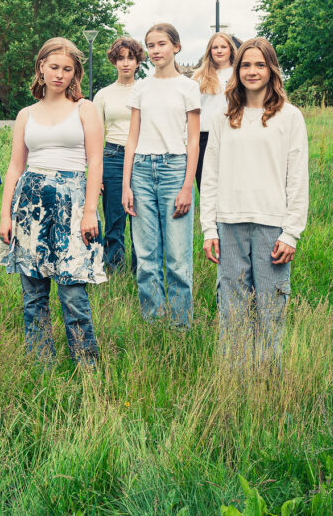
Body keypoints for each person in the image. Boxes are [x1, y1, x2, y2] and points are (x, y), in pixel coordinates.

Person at [201, 37, 307, 371]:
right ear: (237, 70)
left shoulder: (290, 117)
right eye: (245, 65)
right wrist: (208, 228)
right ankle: (234, 375)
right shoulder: (223, 117)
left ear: (271, 69)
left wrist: (291, 233)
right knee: (231, 306)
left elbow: (298, 178)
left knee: (271, 305)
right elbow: (210, 175)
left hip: (272, 224)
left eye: (260, 64)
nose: (252, 71)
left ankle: (268, 374)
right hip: (229, 222)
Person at [0, 37, 105, 363]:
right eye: (54, 67)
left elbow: (95, 161)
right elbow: (15, 166)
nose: (60, 74)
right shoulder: (26, 114)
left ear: (75, 74)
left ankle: (86, 366)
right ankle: (41, 365)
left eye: (67, 69)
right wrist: (5, 215)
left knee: (73, 291)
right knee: (33, 293)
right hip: (30, 204)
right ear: (41, 67)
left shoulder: (84, 109)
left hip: (72, 203)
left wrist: (90, 211)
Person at [122, 23, 201, 328]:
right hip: (141, 171)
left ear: (176, 47)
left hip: (174, 170)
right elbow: (132, 138)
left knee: (178, 258)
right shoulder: (141, 87)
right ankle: (154, 323)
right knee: (146, 256)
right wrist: (127, 185)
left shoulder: (188, 87)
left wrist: (187, 187)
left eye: (162, 44)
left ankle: (180, 325)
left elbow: (193, 141)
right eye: (151, 45)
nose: (156, 50)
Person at [92, 36, 143, 274]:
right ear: (114, 61)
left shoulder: (145, 90)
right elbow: (96, 136)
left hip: (142, 157)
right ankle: (114, 272)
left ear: (138, 62)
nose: (125, 63)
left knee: (140, 219)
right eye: (120, 58)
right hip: (113, 157)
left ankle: (140, 270)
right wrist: (97, 174)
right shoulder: (103, 95)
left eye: (130, 58)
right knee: (114, 219)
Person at [193, 32, 237, 190]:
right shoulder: (200, 76)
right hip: (205, 136)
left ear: (230, 49)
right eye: (215, 47)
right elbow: (192, 110)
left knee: (230, 183)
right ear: (209, 51)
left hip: (231, 133)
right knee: (206, 183)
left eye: (223, 47)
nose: (219, 50)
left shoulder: (238, 74)